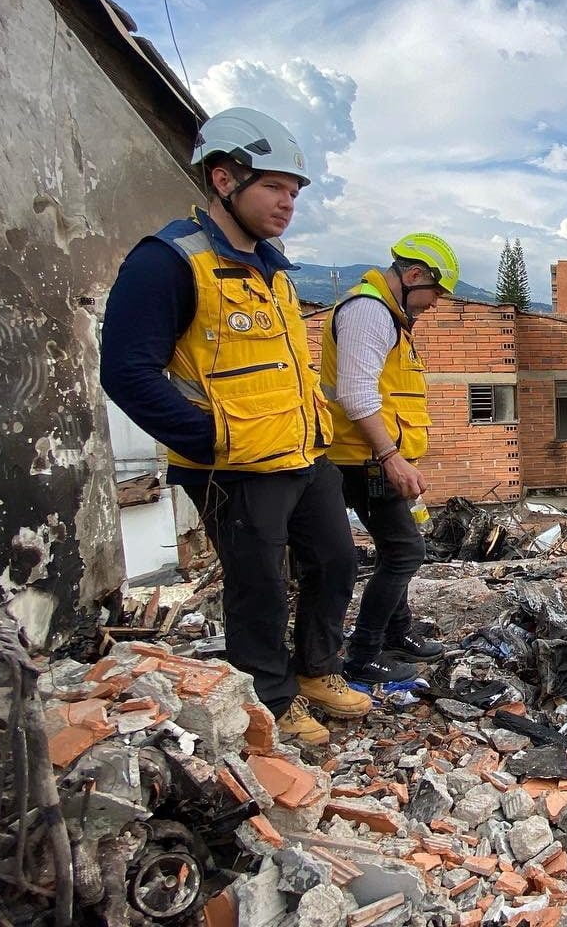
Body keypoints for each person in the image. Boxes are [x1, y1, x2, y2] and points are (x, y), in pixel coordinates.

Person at [100, 107, 372, 746]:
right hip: (234, 465)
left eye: (295, 191)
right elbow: (126, 372)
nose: (288, 202)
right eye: (275, 186)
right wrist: (210, 442)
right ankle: (269, 703)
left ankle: (315, 671)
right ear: (224, 179)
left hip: (303, 455)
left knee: (335, 562)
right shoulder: (167, 262)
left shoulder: (273, 269)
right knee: (260, 590)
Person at [319, 233, 459, 684]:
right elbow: (357, 395)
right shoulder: (368, 312)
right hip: (363, 457)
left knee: (394, 546)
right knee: (403, 552)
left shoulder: (388, 316)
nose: (434, 303)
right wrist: (391, 457)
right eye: (434, 293)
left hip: (372, 455)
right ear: (413, 275)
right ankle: (364, 653)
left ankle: (398, 632)